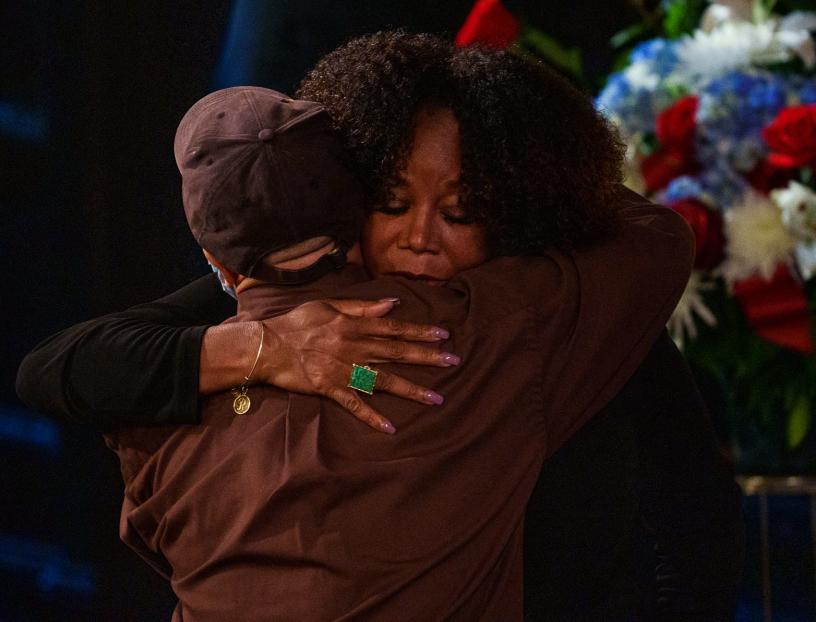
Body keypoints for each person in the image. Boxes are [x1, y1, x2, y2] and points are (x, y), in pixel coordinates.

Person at [18, 32, 743, 620]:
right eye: (391, 201)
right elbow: (57, 368)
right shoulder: (285, 303)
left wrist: (542, 171)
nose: (421, 237)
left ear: (517, 209)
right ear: (343, 202)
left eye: (462, 211)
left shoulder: (544, 318)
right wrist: (264, 349)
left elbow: (689, 533)